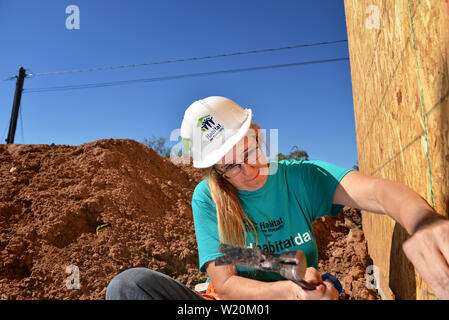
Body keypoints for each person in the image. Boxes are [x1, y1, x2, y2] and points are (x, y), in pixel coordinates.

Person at [106, 96, 449, 300]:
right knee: (129, 286)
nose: (250, 170)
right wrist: (289, 290)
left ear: (258, 133)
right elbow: (224, 283)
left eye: (252, 149)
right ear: (215, 171)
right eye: (231, 166)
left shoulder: (299, 178)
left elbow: (378, 191)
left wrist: (423, 221)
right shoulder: (207, 198)